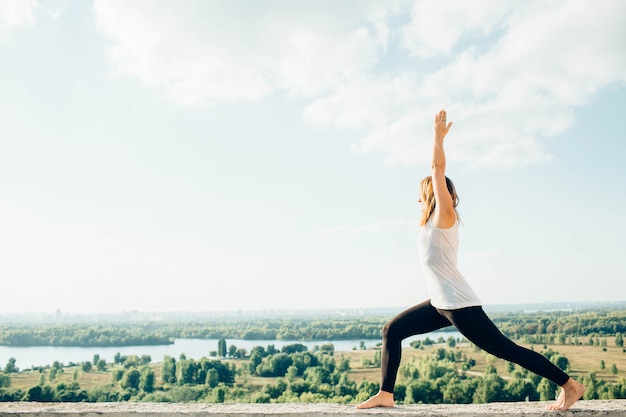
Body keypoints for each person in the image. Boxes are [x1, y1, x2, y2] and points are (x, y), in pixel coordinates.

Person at [355, 109, 585, 411]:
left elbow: (437, 169)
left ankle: (570, 385)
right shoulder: (428, 225)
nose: (417, 200)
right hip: (440, 303)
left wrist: (437, 139)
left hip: (459, 304)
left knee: (507, 350)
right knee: (392, 330)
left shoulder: (443, 218)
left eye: (421, 194)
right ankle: (386, 393)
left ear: (433, 194)